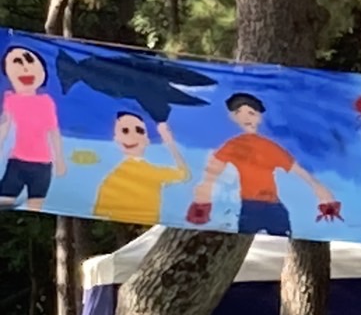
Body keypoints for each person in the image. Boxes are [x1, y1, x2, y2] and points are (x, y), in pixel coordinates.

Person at [188, 91, 340, 235]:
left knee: (281, 235)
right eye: (238, 112)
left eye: (251, 113)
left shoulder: (269, 147)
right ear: (233, 117)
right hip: (249, 206)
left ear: (259, 117)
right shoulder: (233, 146)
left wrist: (320, 189)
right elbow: (212, 172)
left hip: (272, 205)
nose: (245, 118)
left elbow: (298, 170)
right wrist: (203, 198)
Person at [92, 112, 190, 225]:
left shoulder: (151, 172)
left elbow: (184, 175)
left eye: (139, 131)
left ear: (147, 140)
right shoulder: (110, 181)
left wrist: (170, 142)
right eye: (125, 131)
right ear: (116, 138)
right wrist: (170, 143)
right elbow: (184, 173)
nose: (132, 136)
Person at [0, 45, 64, 211]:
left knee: (35, 207)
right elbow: (4, 126)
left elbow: (54, 132)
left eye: (29, 61)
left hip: (42, 165)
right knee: (4, 200)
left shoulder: (46, 102)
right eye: (17, 62)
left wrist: (59, 160)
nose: (25, 68)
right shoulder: (10, 99)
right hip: (17, 162)